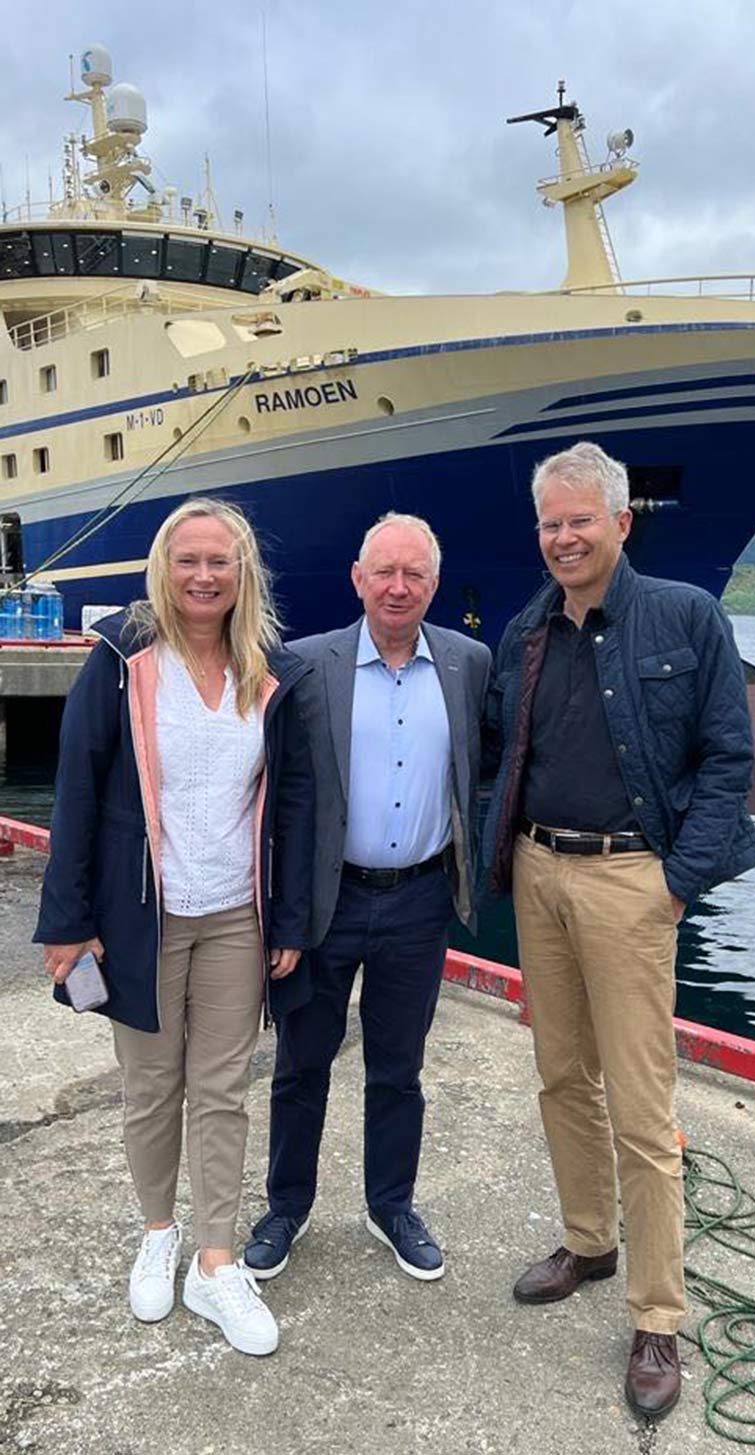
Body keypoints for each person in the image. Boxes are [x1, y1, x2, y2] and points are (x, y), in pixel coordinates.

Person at [482, 441, 755, 1419]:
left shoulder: (683, 615)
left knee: (643, 1113)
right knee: (561, 1074)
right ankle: (587, 1241)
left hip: (626, 882)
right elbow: (494, 748)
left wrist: (674, 885)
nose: (562, 537)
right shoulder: (526, 631)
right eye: (549, 524)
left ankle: (655, 1314)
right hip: (538, 873)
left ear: (617, 522)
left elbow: (728, 757)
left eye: (578, 520)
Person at [34, 498, 314, 1357]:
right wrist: (69, 923)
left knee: (224, 1088)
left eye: (220, 562)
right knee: (152, 1086)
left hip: (234, 914)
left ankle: (215, 1258)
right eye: (189, 560)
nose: (203, 576)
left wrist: (290, 914)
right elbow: (77, 791)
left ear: (243, 573)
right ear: (165, 566)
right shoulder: (123, 659)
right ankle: (159, 1230)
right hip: (142, 914)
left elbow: (292, 804)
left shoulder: (267, 670)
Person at [244, 512, 491, 1284]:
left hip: (418, 900)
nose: (398, 586)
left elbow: (485, 770)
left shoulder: (468, 662)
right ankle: (287, 1204)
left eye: (414, 573)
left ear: (434, 584)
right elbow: (273, 791)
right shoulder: (304, 666)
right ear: (357, 579)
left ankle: (392, 1205)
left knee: (399, 1068)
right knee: (300, 1063)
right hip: (327, 902)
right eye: (384, 571)